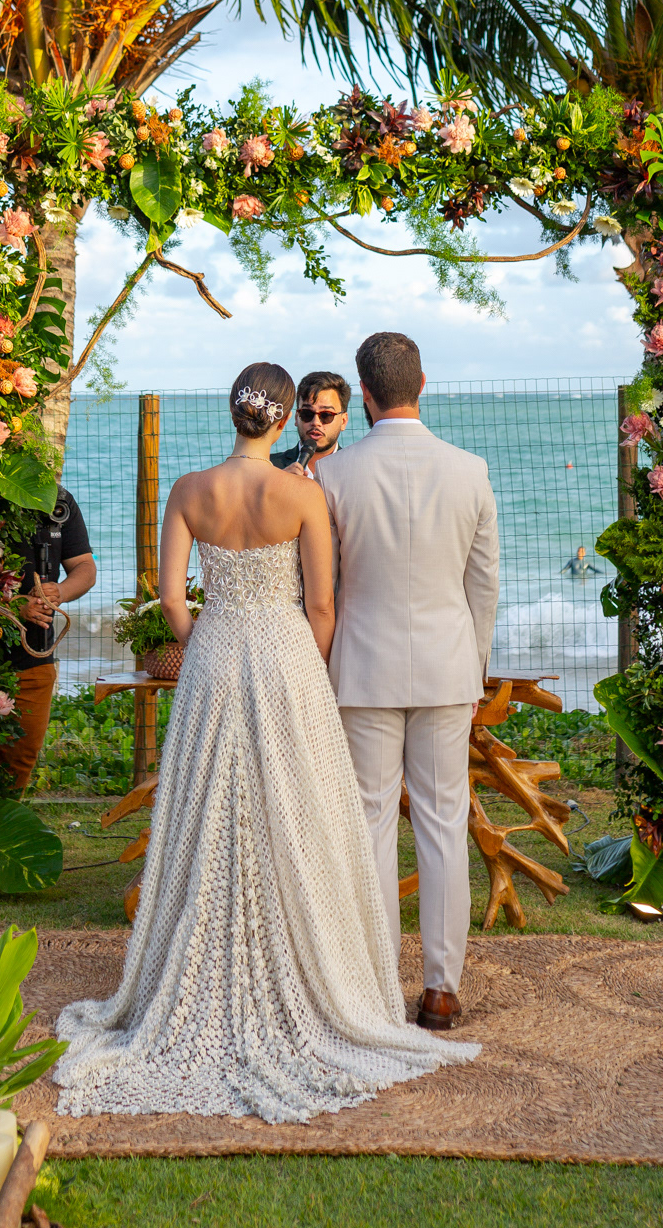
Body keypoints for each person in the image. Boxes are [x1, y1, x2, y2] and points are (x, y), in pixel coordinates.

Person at [52, 361, 478, 1121]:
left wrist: (208, 640)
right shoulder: (303, 494)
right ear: (283, 420)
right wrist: (303, 666)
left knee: (208, 812)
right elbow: (321, 606)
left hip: (214, 657)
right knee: (298, 810)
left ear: (234, 412)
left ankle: (201, 963)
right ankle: (319, 965)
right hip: (287, 659)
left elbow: (172, 599)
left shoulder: (189, 491)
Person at [315, 331, 499, 1034]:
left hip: (362, 668)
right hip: (448, 668)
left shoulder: (334, 476)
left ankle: (373, 983)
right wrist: (474, 667)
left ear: (363, 394)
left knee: (367, 822)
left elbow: (323, 587)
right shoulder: (470, 470)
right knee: (443, 823)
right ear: (422, 383)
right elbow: (483, 584)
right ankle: (440, 991)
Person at [0, 494, 97, 794]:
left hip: (35, 654)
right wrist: (14, 606)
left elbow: (85, 567)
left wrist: (60, 592)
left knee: (22, 755)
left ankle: (3, 816)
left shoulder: (60, 502)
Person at [270, 370, 351, 476]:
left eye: (326, 415)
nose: (316, 422)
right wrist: (278, 482)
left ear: (343, 421)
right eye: (307, 414)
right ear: (296, 417)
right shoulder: (270, 468)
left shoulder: (356, 469)